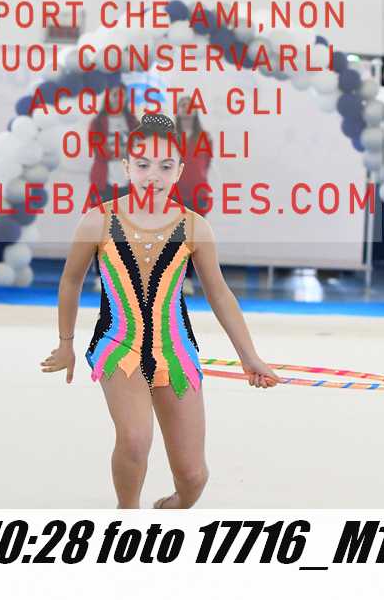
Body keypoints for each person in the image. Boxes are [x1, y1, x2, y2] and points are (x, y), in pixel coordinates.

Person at [40, 113, 279, 510]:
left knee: (193, 477)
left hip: (175, 350)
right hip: (118, 344)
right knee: (135, 440)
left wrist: (249, 356)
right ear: (126, 166)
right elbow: (70, 281)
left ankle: (171, 506)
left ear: (180, 170)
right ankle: (128, 514)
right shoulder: (98, 221)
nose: (153, 175)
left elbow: (220, 294)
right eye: (143, 164)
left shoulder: (195, 227)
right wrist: (66, 343)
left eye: (166, 166)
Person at [88, 84, 139, 292]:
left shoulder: (132, 122)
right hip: (104, 181)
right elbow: (97, 147)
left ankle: (123, 275)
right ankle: (100, 275)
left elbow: (139, 148)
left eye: (122, 95)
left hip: (128, 182)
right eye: (115, 95)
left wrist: (125, 153)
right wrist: (119, 152)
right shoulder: (98, 122)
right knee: (102, 230)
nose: (118, 99)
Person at [175, 96, 213, 295]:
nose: (187, 109)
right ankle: (172, 278)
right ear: (178, 110)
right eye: (183, 106)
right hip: (175, 192)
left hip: (197, 193)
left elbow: (205, 164)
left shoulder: (204, 137)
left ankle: (187, 278)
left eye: (190, 106)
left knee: (191, 238)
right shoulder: (171, 137)